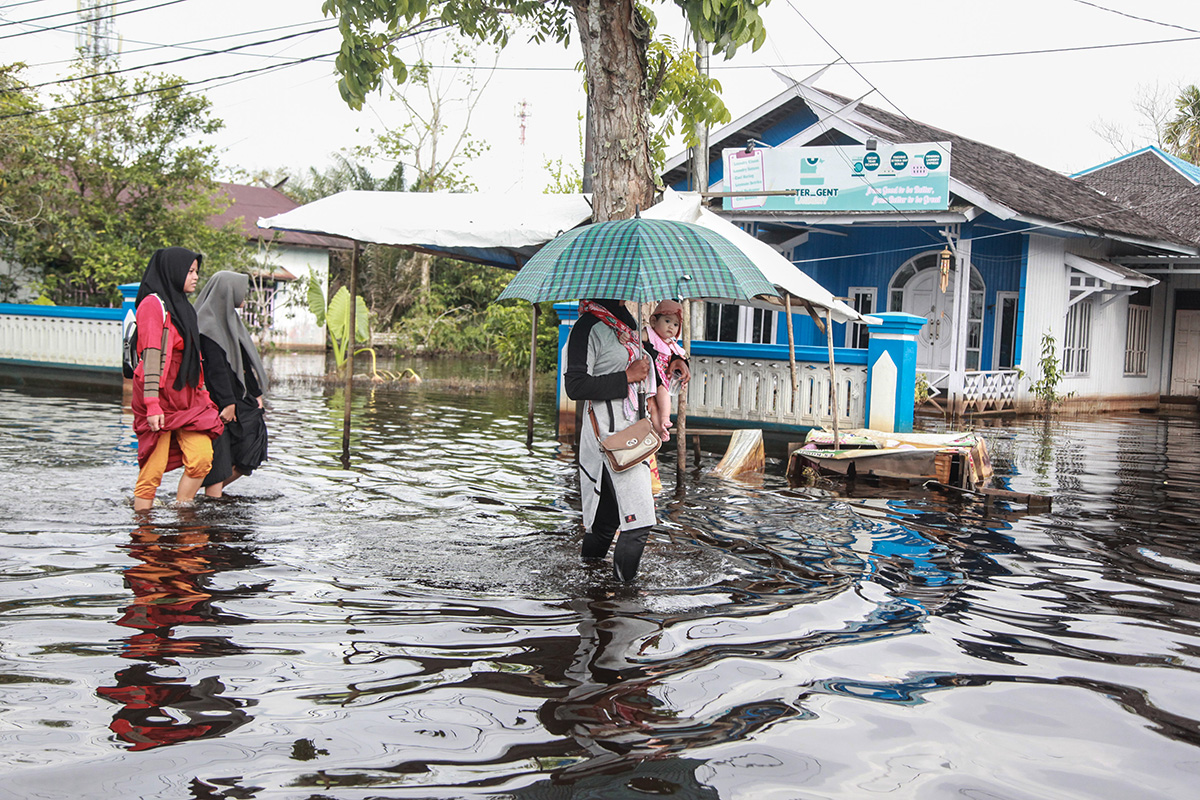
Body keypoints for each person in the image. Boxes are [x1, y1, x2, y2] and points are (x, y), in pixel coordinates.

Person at [564, 299, 658, 583]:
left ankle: (589, 585)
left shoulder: (625, 321)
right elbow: (575, 385)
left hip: (632, 429)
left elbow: (648, 353)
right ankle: (623, 599)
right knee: (639, 522)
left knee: (605, 523)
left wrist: (679, 360)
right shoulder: (586, 327)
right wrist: (627, 376)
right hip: (609, 434)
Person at [131, 247, 223, 511]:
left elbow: (193, 358)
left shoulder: (183, 307)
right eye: (190, 271)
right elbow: (150, 354)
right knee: (154, 468)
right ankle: (143, 530)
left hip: (186, 396)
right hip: (158, 395)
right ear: (173, 271)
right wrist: (151, 403)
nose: (195, 277)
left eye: (196, 271)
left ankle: (182, 512)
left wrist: (202, 394)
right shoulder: (153, 304)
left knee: (202, 458)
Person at [194, 271, 269, 498]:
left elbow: (243, 360)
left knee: (251, 449)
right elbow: (215, 370)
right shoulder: (207, 324)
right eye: (241, 289)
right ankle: (207, 501)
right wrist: (227, 403)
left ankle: (203, 497)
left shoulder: (229, 319)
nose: (244, 294)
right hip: (221, 401)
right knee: (222, 457)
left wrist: (256, 393)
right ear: (229, 291)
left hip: (240, 396)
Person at [642, 299, 690, 441]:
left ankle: (661, 427)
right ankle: (664, 419)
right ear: (653, 321)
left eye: (675, 324)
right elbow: (636, 338)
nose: (671, 327)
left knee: (658, 402)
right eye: (667, 321)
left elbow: (683, 355)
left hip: (662, 376)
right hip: (651, 376)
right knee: (658, 399)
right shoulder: (650, 334)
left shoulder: (671, 343)